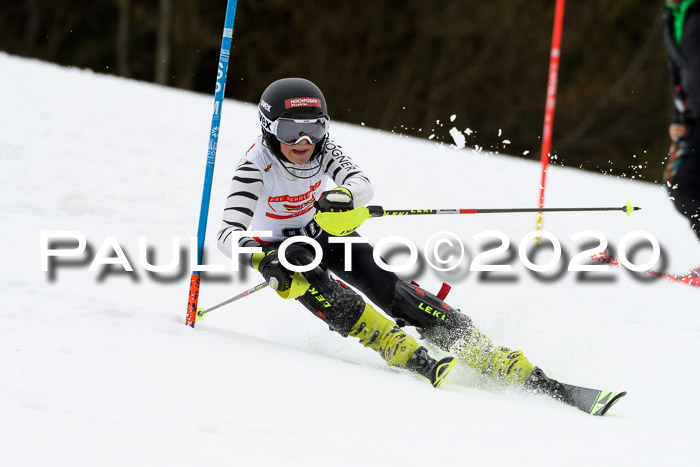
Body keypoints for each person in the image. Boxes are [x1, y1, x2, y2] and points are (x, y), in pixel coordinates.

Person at [217, 77, 562, 394]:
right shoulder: (255, 165)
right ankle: (390, 343)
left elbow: (361, 184)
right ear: (268, 128)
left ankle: (488, 354)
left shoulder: (324, 150)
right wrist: (259, 256)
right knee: (305, 267)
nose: (304, 141)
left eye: (315, 128)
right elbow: (226, 233)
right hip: (282, 252)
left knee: (394, 289)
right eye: (290, 130)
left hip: (324, 233)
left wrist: (344, 197)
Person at [663, 0, 700, 241]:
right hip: (695, 117)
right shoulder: (672, 16)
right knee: (680, 183)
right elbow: (677, 71)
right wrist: (679, 117)